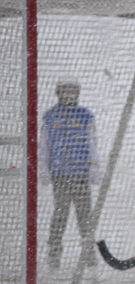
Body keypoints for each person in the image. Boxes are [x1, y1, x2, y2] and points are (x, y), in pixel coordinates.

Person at [41, 79, 99, 271]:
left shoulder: (85, 116)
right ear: (58, 93)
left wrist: (94, 170)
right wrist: (44, 170)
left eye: (72, 91)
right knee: (60, 215)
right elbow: (44, 146)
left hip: (80, 174)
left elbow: (92, 144)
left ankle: (90, 259)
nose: (68, 95)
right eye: (65, 91)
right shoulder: (50, 117)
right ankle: (54, 257)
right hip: (60, 175)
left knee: (85, 217)